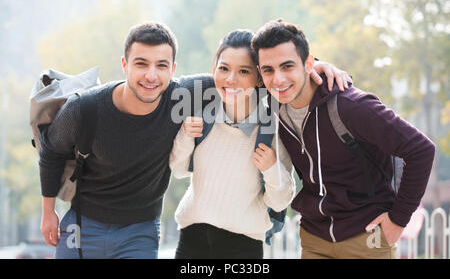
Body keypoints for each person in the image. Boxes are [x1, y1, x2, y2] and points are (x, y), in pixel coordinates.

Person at [39, 21, 349, 259]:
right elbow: (52, 153)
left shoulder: (188, 96)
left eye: (161, 66)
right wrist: (48, 211)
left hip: (147, 230)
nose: (151, 76)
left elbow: (267, 57)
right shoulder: (89, 107)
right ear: (124, 65)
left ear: (173, 70)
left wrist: (313, 65)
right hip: (88, 223)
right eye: (141, 64)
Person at [251, 19, 436, 259]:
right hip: (314, 238)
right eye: (268, 70)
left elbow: (421, 150)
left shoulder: (351, 106)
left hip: (366, 237)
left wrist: (397, 220)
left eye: (287, 66)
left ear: (308, 64)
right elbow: (227, 80)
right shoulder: (274, 106)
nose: (277, 79)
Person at [169, 29, 295, 259]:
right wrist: (186, 137)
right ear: (214, 69)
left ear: (258, 78)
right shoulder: (201, 116)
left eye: (243, 71)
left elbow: (279, 202)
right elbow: (178, 170)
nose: (231, 79)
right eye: (224, 68)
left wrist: (271, 167)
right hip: (191, 242)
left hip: (243, 247)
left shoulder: (271, 130)